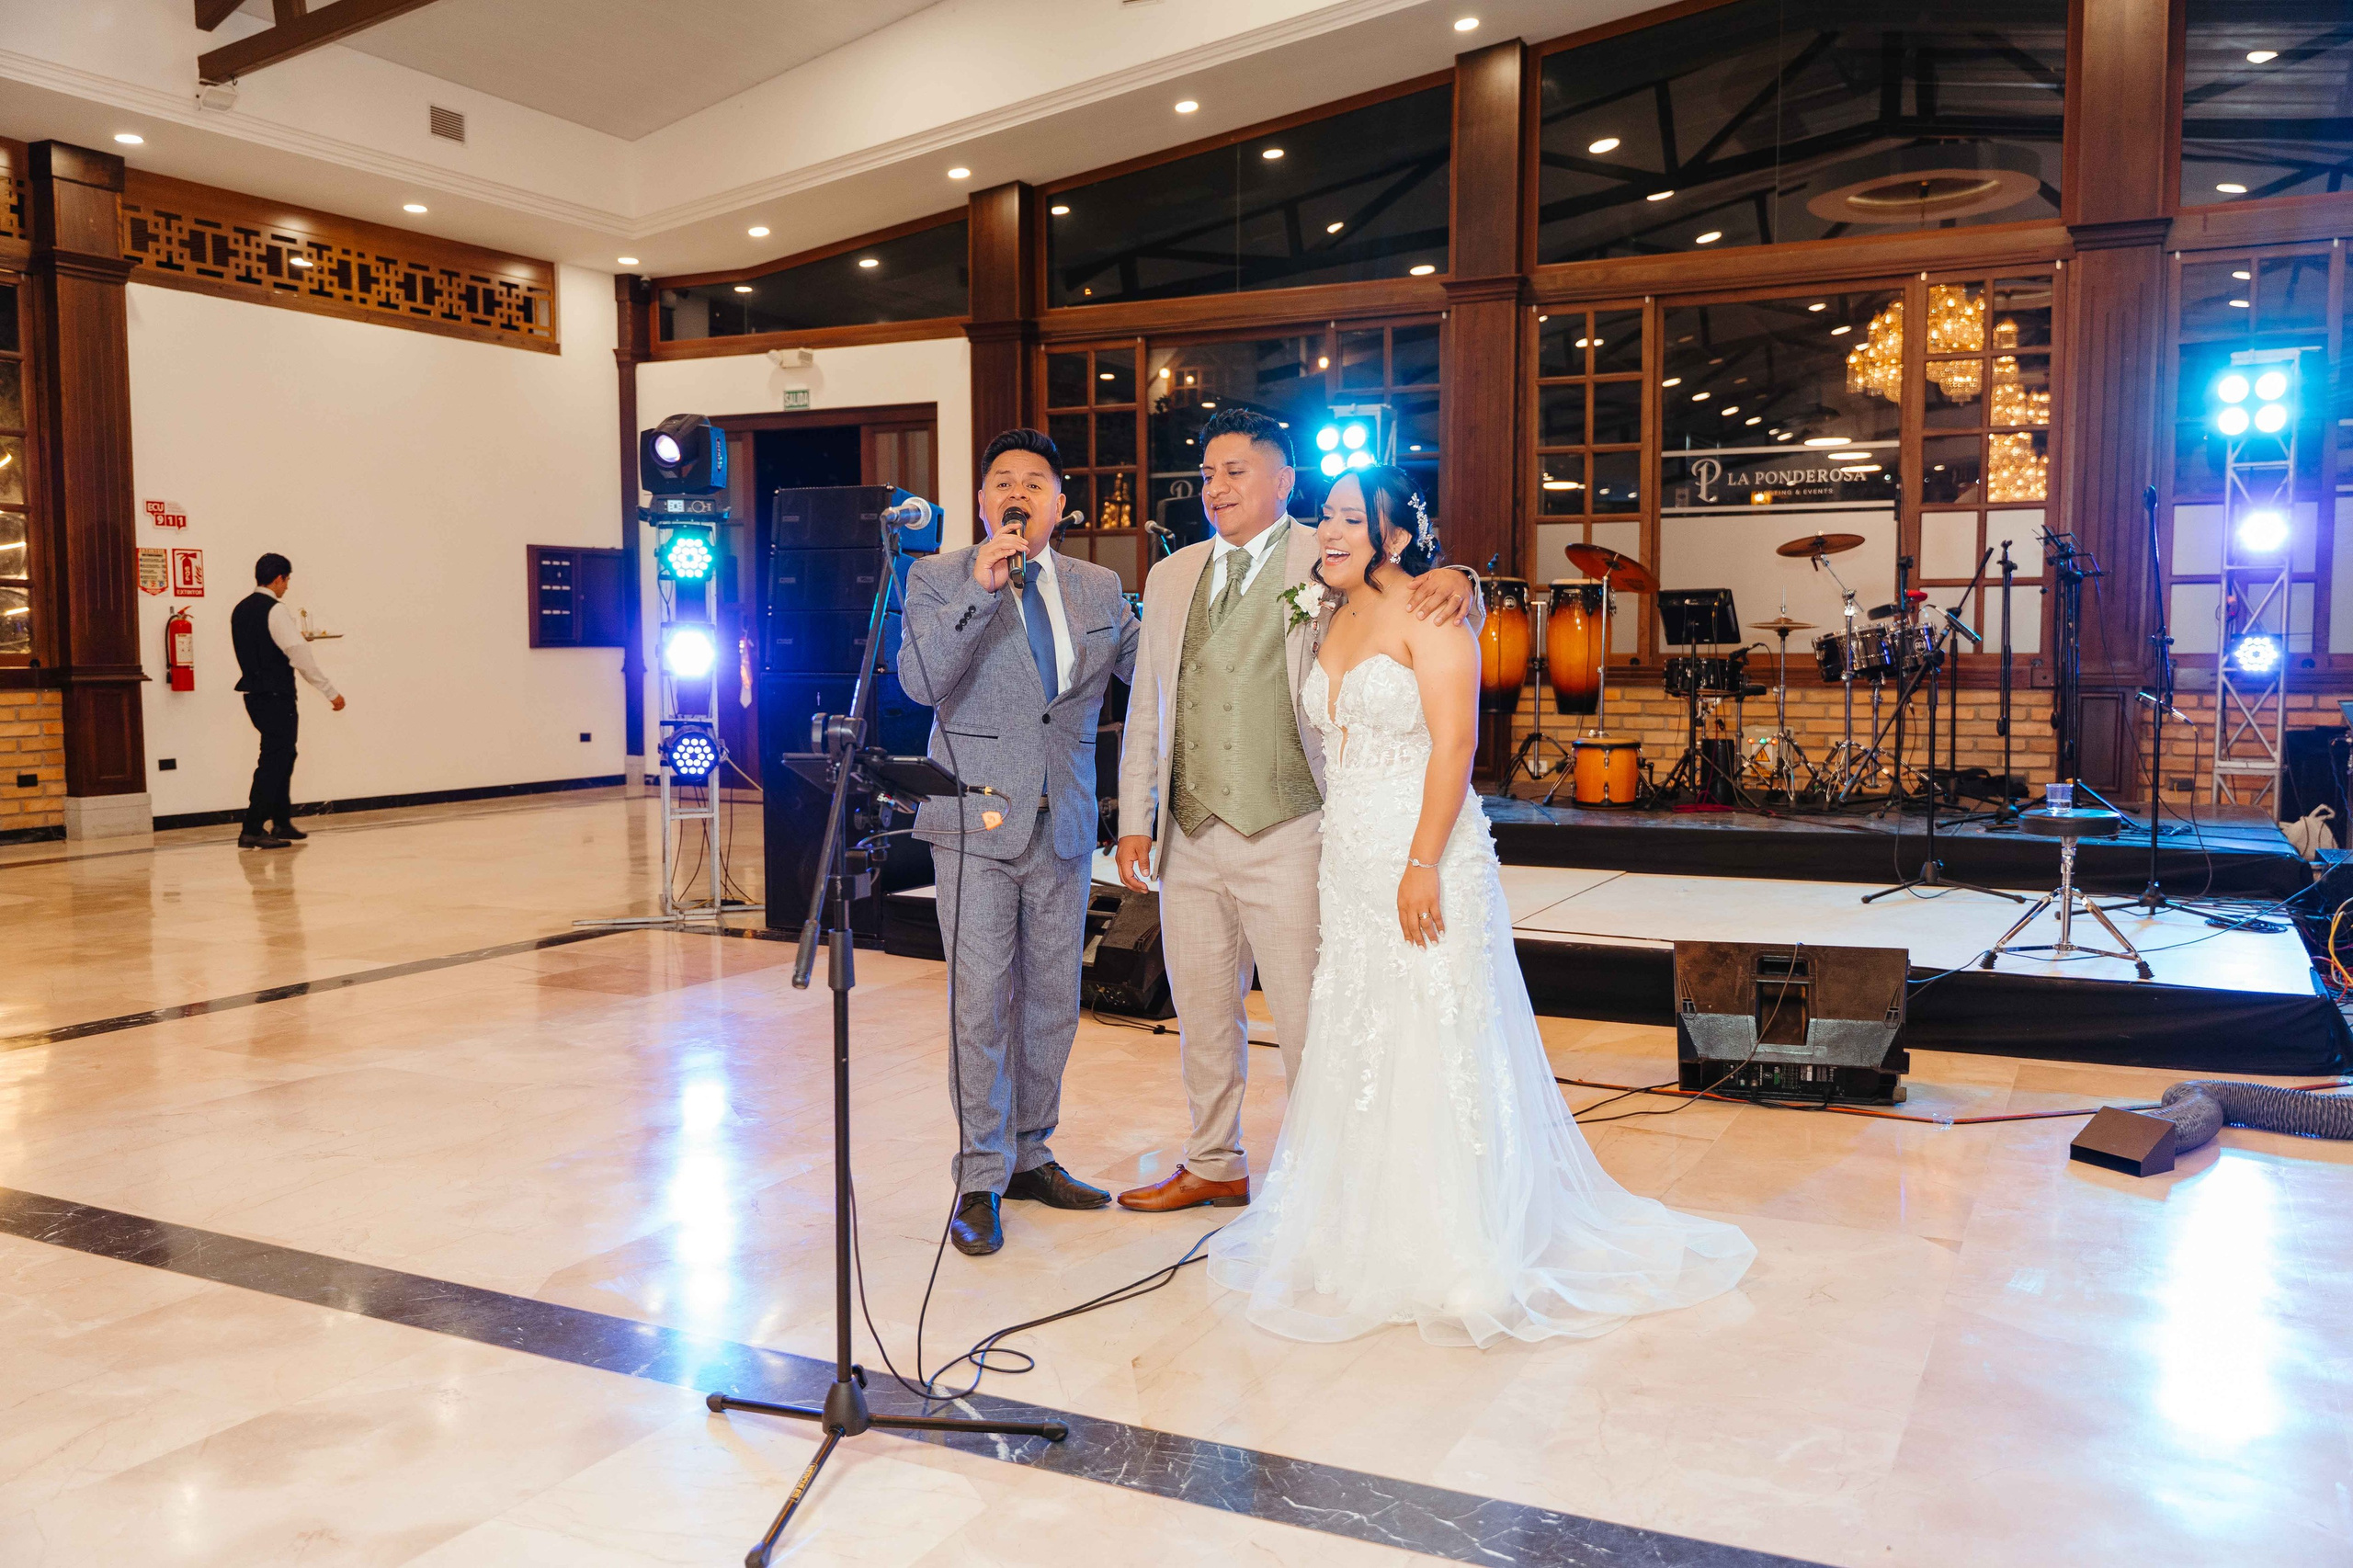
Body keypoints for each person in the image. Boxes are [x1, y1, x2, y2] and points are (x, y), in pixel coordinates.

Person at [1205, 467, 1756, 1346]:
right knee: (1360, 1026)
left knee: (1435, 1027)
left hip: (1424, 851)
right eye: (1326, 518)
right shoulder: (1325, 608)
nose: (1332, 532)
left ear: (1392, 535)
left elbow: (1457, 745)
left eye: (1354, 518)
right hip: (1347, 855)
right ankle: (1355, 1226)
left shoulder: (1435, 614)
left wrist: (1422, 861)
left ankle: (1457, 1248)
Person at [1112, 409, 1478, 1212]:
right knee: (1202, 1014)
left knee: (1316, 1019)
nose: (1216, 488)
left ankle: (1333, 1177)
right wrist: (1134, 813)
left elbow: (1425, 601)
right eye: (1207, 474)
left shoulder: (1333, 547)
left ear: (1284, 483)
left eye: (1236, 471)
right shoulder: (1171, 576)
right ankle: (1213, 1159)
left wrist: (1465, 580)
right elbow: (1149, 704)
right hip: (1188, 832)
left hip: (1291, 829)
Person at [900, 429, 1141, 1256]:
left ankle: (1033, 1153)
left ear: (1060, 505)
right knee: (979, 1004)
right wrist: (979, 587)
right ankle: (978, 1175)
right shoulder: (937, 577)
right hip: (972, 822)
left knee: (1051, 1001)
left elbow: (1151, 673)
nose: (1020, 493)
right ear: (981, 503)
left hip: (1064, 819)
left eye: (1037, 483)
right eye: (1004, 482)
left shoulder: (1099, 586)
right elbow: (921, 683)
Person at [231, 552, 344, 850]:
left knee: (283, 756)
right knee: (274, 761)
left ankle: (281, 820)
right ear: (279, 578)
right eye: (288, 580)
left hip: (254, 696)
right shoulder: (276, 610)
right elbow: (298, 653)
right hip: (277, 696)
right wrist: (330, 691)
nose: (288, 587)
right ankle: (252, 828)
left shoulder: (240, 610)